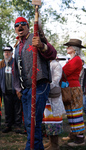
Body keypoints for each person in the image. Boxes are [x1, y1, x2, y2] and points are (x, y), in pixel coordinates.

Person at [13, 17, 57, 150]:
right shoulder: (17, 46)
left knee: (33, 122)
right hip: (26, 88)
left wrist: (42, 46)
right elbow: (16, 69)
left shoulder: (36, 38)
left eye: (22, 24)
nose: (19, 27)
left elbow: (52, 54)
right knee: (29, 123)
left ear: (27, 26)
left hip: (39, 85)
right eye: (16, 25)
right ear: (14, 29)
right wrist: (17, 88)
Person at [61, 39, 85, 146]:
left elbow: (63, 72)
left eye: (69, 46)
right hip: (69, 88)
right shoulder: (72, 60)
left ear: (74, 49)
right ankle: (74, 134)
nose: (67, 48)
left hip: (74, 89)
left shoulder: (76, 60)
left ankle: (80, 138)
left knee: (75, 112)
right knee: (71, 111)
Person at [0, 46, 22, 133]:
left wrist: (20, 89)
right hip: (6, 91)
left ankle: (17, 126)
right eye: (5, 52)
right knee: (8, 110)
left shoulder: (16, 63)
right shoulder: (1, 64)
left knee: (17, 109)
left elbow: (21, 76)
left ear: (12, 53)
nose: (6, 53)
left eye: (8, 52)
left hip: (16, 91)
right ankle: (8, 125)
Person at [42, 59, 66, 150]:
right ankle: (51, 142)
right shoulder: (48, 63)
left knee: (54, 121)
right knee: (49, 121)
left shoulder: (56, 64)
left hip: (53, 96)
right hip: (48, 96)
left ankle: (55, 145)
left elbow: (56, 79)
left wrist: (46, 87)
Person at [79, 60, 86, 124]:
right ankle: (78, 119)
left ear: (83, 63)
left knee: (84, 104)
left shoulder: (85, 70)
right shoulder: (76, 70)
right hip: (76, 89)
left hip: (82, 89)